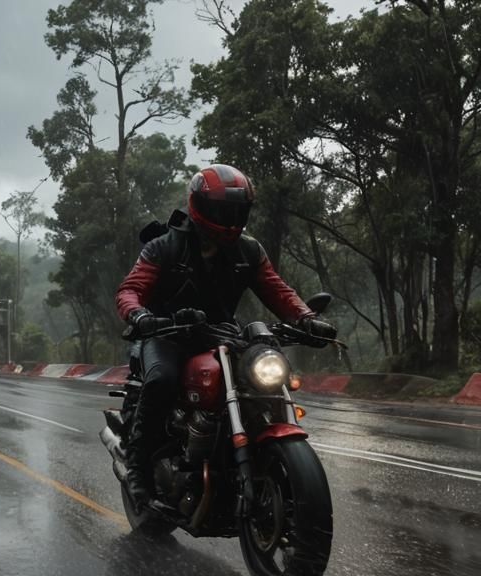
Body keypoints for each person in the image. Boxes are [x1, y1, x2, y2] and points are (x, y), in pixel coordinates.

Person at [114, 163, 336, 512]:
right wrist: (141, 316)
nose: (230, 218)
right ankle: (139, 469)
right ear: (199, 206)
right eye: (222, 210)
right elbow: (130, 290)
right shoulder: (165, 246)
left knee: (257, 379)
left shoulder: (248, 251)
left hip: (220, 334)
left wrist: (306, 319)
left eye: (237, 210)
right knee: (162, 379)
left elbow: (278, 291)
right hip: (167, 333)